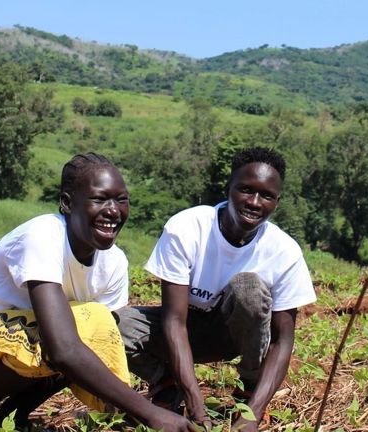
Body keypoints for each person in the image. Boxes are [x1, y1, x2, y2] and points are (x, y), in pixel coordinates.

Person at [0, 153, 192, 432]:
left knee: (90, 332)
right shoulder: (43, 235)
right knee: (70, 333)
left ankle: (12, 415)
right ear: (67, 203)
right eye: (100, 199)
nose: (113, 211)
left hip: (9, 347)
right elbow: (63, 350)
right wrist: (151, 414)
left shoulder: (115, 262)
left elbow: (88, 348)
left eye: (121, 200)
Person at [115, 147, 316, 431]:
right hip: (182, 331)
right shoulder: (187, 228)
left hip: (235, 336)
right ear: (228, 188)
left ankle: (248, 391)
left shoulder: (283, 252)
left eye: (266, 195)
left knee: (248, 286)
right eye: (246, 190)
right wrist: (195, 403)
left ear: (277, 201)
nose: (255, 202)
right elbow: (174, 320)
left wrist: (253, 413)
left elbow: (282, 341)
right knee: (114, 326)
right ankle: (167, 382)